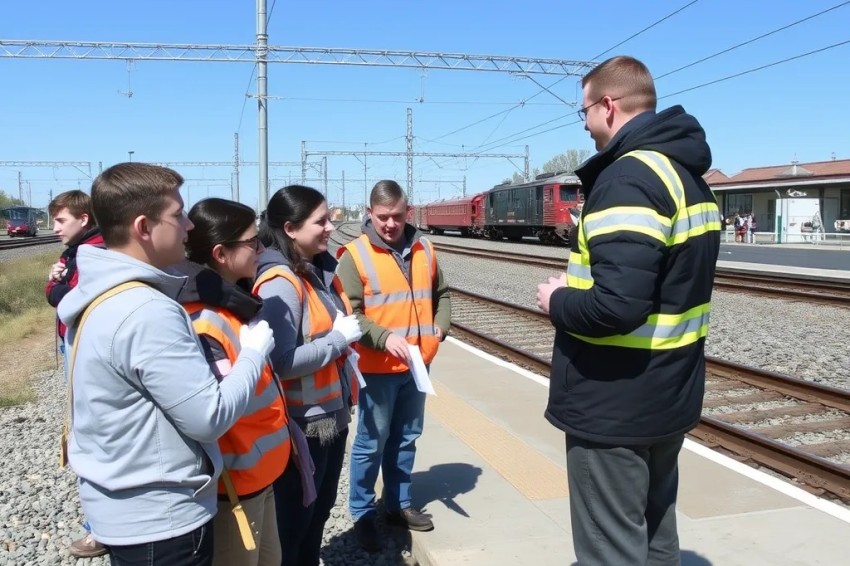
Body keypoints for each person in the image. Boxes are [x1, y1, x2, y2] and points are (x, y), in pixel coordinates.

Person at [536, 56, 720, 566]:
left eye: (585, 113)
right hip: (669, 393)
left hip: (614, 402)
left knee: (609, 550)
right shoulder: (686, 176)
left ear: (608, 106)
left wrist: (557, 300)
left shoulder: (628, 179)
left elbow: (617, 306)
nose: (587, 124)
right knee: (658, 538)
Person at [57, 162, 275, 566]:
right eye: (177, 214)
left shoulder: (97, 294)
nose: (189, 225)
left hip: (123, 507)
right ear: (144, 227)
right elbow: (209, 418)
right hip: (163, 522)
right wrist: (254, 354)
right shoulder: (147, 311)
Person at [336, 180, 451, 552]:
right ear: (370, 213)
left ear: (408, 212)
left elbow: (442, 294)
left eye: (397, 216)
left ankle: (397, 504)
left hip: (417, 364)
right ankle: (362, 512)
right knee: (371, 442)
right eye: (383, 217)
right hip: (376, 368)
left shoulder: (424, 247)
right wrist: (385, 339)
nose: (390, 224)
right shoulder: (354, 256)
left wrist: (441, 326)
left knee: (407, 437)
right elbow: (349, 314)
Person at [253, 185, 363, 566]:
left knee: (317, 515)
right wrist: (337, 340)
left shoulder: (315, 268)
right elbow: (280, 361)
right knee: (296, 523)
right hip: (304, 425)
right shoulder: (281, 283)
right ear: (290, 228)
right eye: (321, 221)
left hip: (328, 415)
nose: (331, 227)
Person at [180, 198, 291, 566]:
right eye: (251, 242)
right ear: (221, 254)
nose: (260, 248)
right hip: (235, 487)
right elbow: (220, 408)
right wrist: (253, 354)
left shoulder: (235, 305)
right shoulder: (205, 322)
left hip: (259, 474)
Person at [43, 190, 107, 558]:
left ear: (84, 219)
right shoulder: (78, 250)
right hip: (77, 344)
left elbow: (63, 300)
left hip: (82, 347)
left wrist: (54, 285)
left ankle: (98, 528)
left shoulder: (92, 251)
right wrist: (57, 283)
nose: (54, 229)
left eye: (61, 220)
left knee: (88, 432)